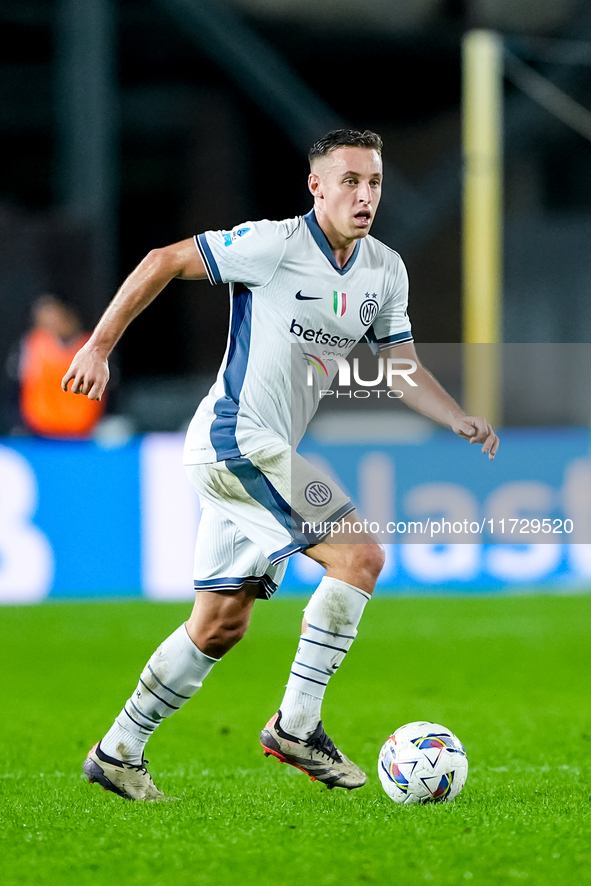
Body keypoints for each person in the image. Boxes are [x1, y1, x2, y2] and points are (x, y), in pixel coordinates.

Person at [62, 129, 499, 801]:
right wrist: (97, 346)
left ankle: (118, 750)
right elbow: (160, 260)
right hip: (236, 439)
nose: (364, 195)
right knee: (360, 557)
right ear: (315, 186)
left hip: (263, 450)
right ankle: (296, 725)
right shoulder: (273, 245)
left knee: (218, 625)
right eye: (349, 181)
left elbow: (401, 368)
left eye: (374, 182)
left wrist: (454, 417)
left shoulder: (383, 269)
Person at [7, 294, 105, 438]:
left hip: (83, 435)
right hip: (38, 434)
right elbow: (15, 389)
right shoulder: (29, 346)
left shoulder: (91, 347)